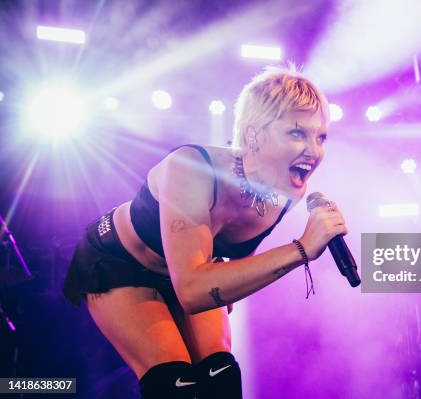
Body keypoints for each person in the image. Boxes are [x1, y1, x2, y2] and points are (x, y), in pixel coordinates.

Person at [62, 64, 347, 398]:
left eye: (321, 136)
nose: (313, 151)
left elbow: (238, 253)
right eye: (297, 133)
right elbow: (193, 292)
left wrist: (228, 283)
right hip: (120, 264)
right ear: (254, 134)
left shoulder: (292, 188)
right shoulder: (192, 168)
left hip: (192, 270)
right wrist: (300, 249)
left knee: (221, 378)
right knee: (177, 383)